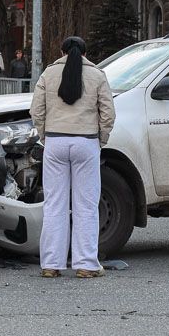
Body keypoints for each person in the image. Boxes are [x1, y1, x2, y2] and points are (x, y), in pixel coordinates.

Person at [29, 36, 116, 278]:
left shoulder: (48, 73)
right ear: (86, 53)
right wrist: (101, 139)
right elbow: (108, 113)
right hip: (86, 142)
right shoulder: (98, 75)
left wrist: (45, 135)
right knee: (86, 206)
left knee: (55, 204)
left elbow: (36, 110)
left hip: (55, 142)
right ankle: (86, 264)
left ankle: (51, 264)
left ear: (61, 51)